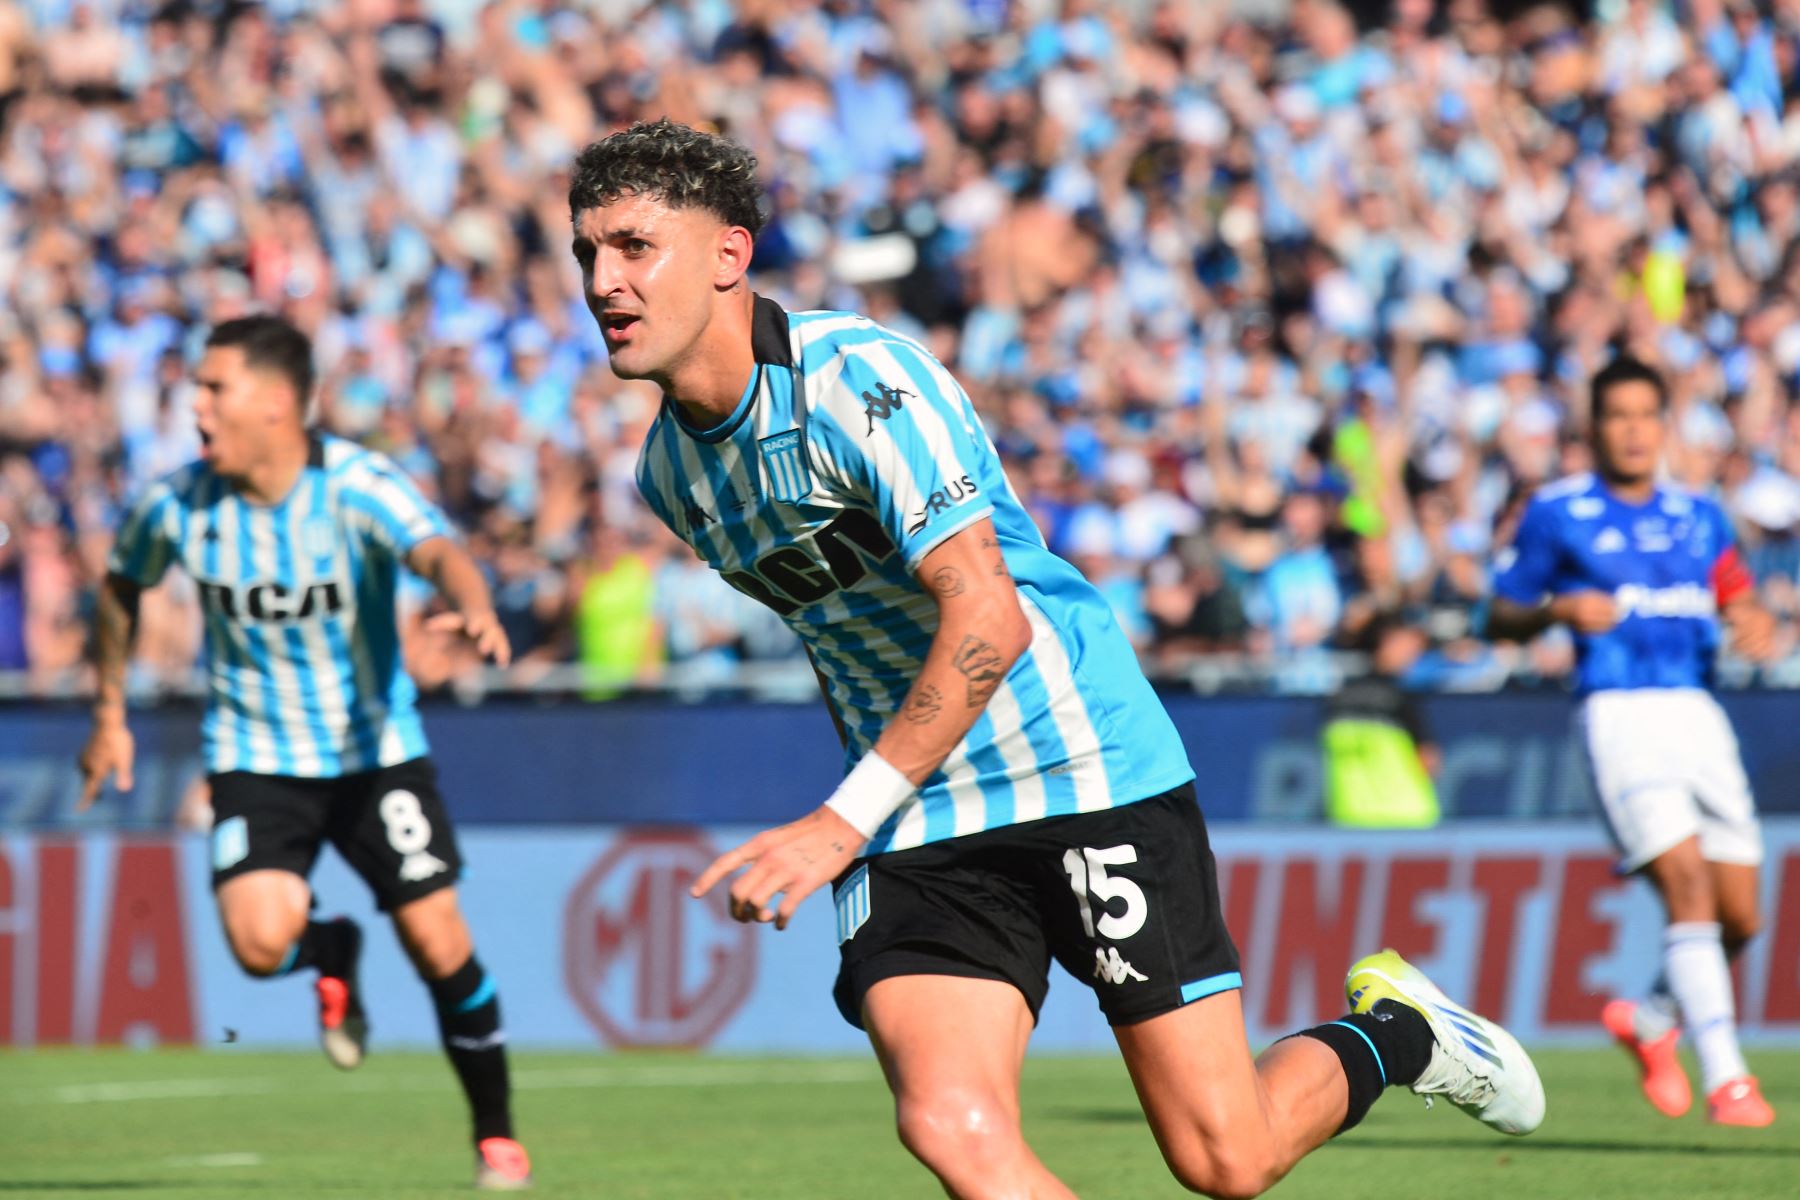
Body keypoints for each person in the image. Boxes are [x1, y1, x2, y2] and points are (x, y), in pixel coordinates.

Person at [572, 118, 1544, 1200]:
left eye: (632, 247)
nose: (603, 281)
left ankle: (1399, 1033)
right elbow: (845, 629)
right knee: (950, 1123)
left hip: (1079, 764)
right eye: (588, 255)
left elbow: (990, 620)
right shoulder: (671, 474)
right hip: (920, 817)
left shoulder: (861, 381)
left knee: (1228, 1158)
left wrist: (836, 821)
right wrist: (871, 817)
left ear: (728, 256)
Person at [76, 315, 533, 1190]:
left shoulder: (356, 486)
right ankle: (331, 951)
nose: (195, 403)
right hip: (255, 754)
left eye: (215, 387)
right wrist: (108, 713)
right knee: (257, 946)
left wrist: (472, 602)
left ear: (279, 403)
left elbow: (437, 549)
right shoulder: (175, 503)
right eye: (196, 386)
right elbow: (120, 587)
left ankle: (497, 1137)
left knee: (440, 943)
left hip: (374, 752)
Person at [1488, 354, 1777, 1127]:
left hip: (1698, 712)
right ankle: (1729, 1079)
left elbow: (1739, 598)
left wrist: (1754, 622)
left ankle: (1651, 1018)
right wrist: (1554, 611)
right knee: (1687, 883)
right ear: (1595, 428)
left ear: (1664, 424)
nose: (1634, 430)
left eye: (1647, 415)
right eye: (1618, 416)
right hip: (1618, 711)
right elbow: (1499, 613)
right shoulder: (1557, 512)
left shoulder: (1699, 514)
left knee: (1740, 916)